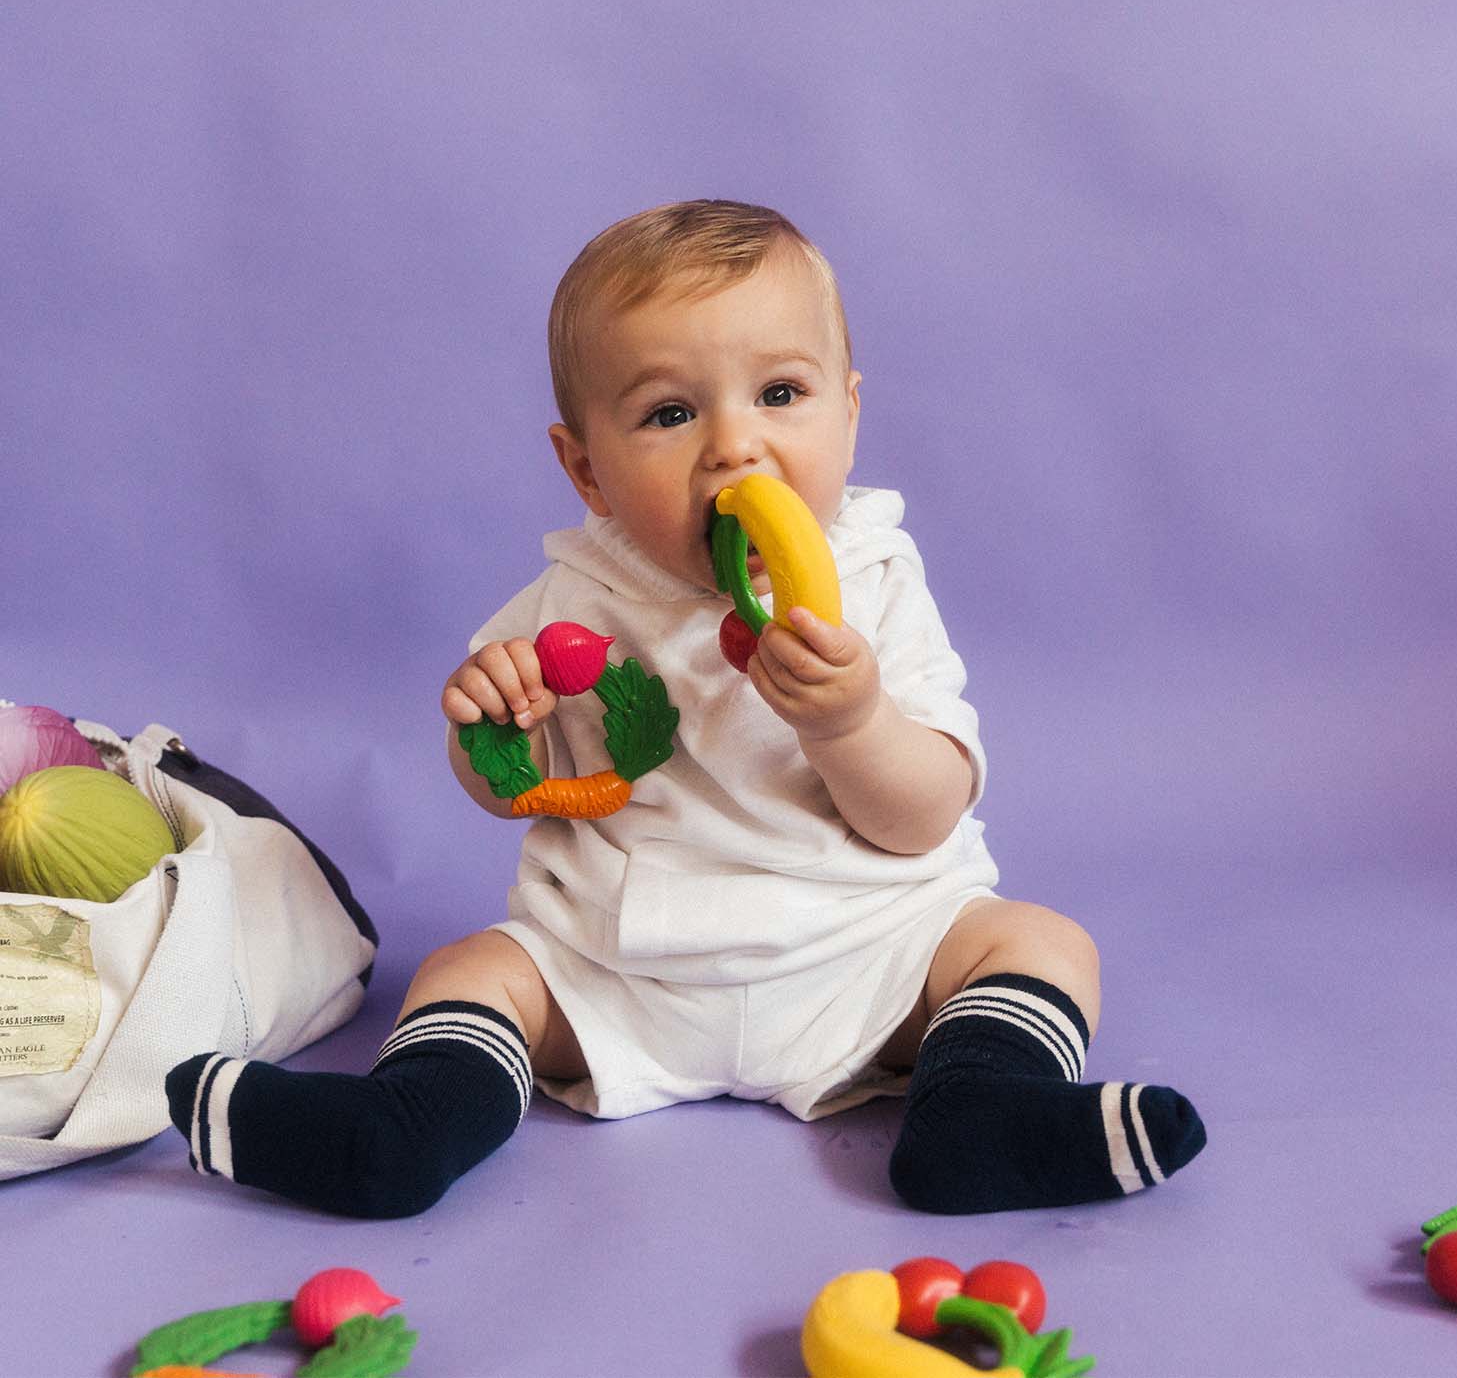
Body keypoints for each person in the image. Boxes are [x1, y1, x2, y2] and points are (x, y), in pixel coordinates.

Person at [165, 199, 1205, 1218]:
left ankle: (979, 1111)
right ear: (588, 470)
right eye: (671, 413)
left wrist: (851, 722)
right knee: (470, 969)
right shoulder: (568, 603)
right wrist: (484, 732)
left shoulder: (876, 579)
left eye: (782, 393)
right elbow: (505, 793)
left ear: (850, 410)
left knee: (1037, 941)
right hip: (621, 970)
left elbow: (923, 815)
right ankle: (403, 1130)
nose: (734, 448)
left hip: (864, 960)